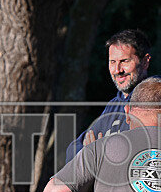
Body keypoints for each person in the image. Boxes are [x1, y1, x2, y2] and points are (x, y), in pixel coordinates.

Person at [66, 29, 155, 162]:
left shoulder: (156, 99)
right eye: (112, 62)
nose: (117, 70)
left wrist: (95, 155)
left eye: (124, 61)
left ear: (145, 62)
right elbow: (72, 151)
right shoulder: (114, 104)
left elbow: (135, 157)